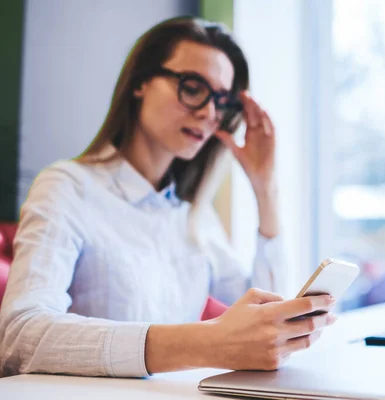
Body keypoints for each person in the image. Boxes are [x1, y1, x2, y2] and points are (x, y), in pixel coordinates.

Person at [0, 16, 336, 378]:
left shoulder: (193, 217)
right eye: (193, 87)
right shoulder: (67, 187)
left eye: (221, 100)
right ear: (141, 83)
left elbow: (269, 316)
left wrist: (265, 186)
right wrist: (206, 343)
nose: (209, 112)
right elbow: (20, 336)